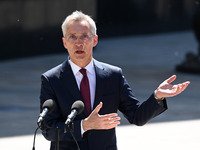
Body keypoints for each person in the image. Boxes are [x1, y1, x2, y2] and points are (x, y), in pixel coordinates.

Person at [39, 11, 190, 150]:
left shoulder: (113, 75)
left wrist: (158, 96)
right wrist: (84, 125)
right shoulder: (51, 79)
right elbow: (48, 130)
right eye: (73, 36)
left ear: (95, 40)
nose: (79, 43)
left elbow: (137, 116)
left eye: (84, 36)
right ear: (65, 42)